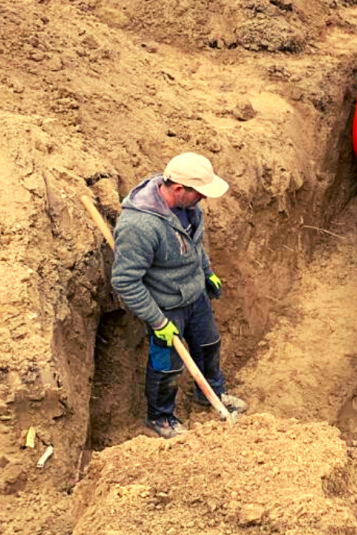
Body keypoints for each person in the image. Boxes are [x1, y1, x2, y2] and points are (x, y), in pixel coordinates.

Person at [111, 152, 247, 439]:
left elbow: (195, 244)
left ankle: (211, 393)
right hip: (164, 306)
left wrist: (206, 271)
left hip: (195, 294)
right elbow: (125, 281)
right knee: (167, 367)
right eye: (200, 193)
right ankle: (160, 418)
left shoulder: (190, 207)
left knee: (209, 344)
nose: (204, 198)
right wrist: (157, 322)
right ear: (178, 190)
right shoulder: (139, 227)